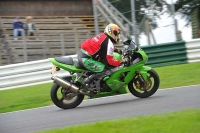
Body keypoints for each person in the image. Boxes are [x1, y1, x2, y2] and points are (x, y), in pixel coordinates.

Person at [77, 23, 127, 88]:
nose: (117, 36)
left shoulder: (102, 36)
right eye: (116, 34)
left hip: (83, 54)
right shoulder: (108, 43)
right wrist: (120, 62)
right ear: (112, 32)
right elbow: (109, 62)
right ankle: (86, 82)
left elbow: (102, 47)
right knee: (106, 71)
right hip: (86, 59)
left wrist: (117, 50)